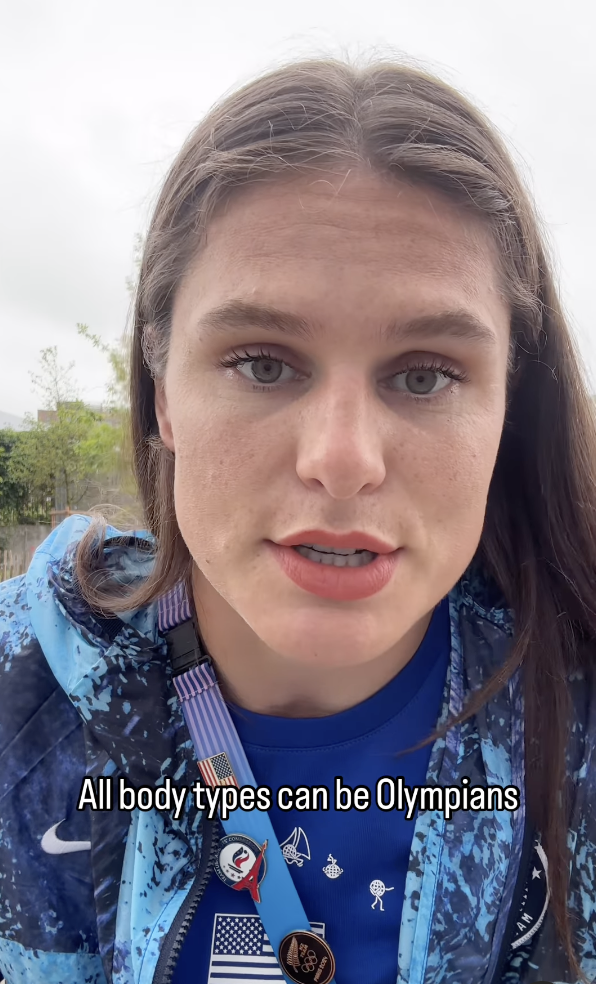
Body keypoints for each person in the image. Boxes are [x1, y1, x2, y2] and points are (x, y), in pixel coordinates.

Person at [0, 55, 595, 984]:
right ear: (163, 400)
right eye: (264, 363)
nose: (344, 460)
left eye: (426, 373)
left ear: (509, 409)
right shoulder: (21, 697)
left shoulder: (579, 711)